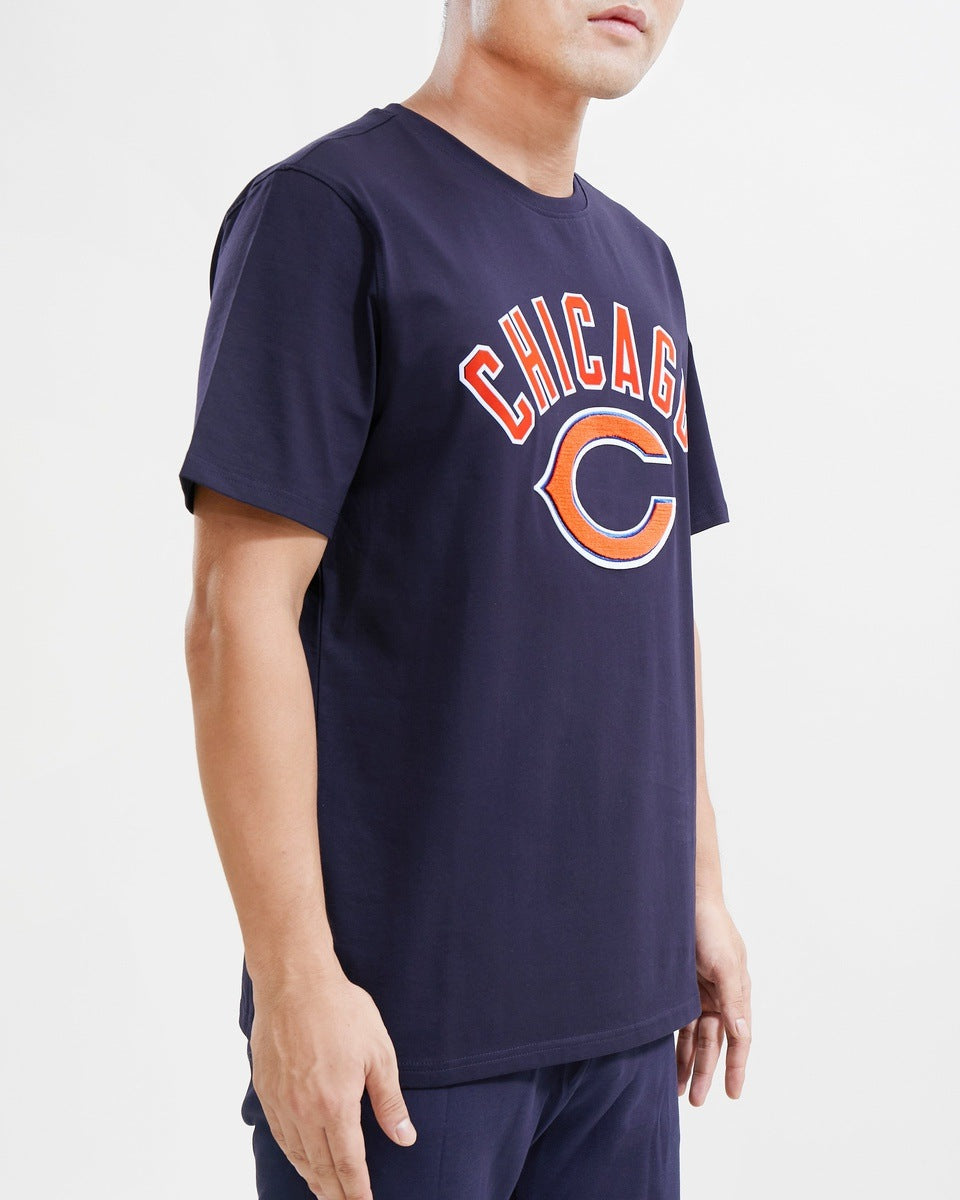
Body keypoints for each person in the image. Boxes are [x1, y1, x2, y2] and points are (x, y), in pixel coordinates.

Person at [178, 1, 751, 1196]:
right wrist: (294, 980)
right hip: (403, 1035)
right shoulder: (330, 213)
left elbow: (657, 605)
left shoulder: (645, 264)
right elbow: (239, 617)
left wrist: (697, 892)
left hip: (625, 1014)